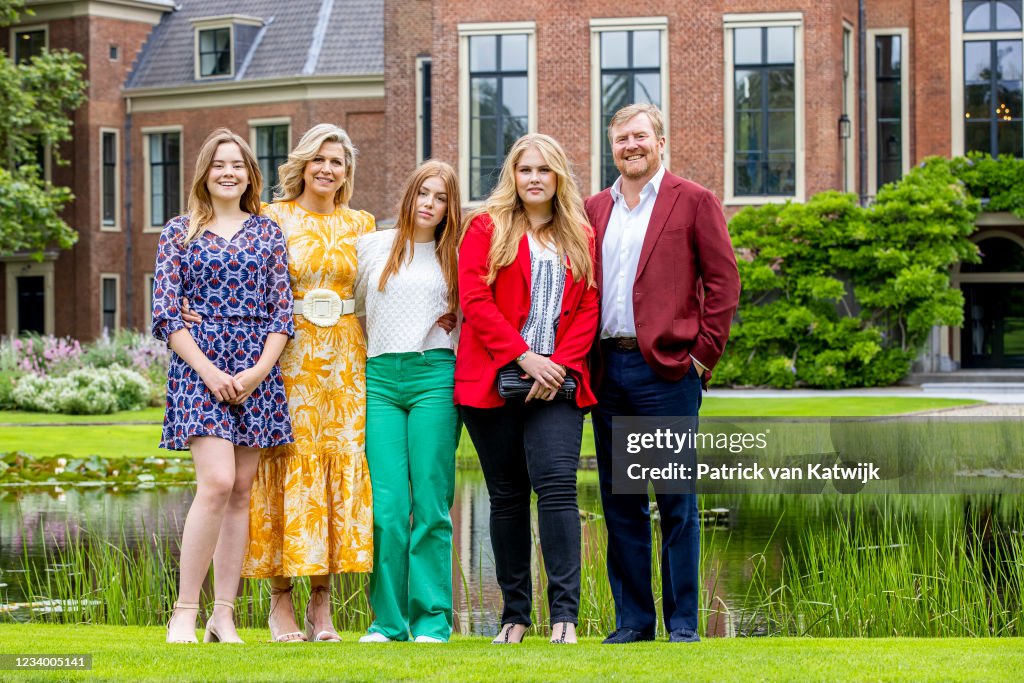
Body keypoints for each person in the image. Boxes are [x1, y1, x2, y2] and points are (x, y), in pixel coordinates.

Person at [186, 123, 374, 642]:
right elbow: (236, 271)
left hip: (343, 365)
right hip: (281, 363)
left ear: (347, 170)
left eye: (336, 161)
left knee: (333, 480)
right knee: (280, 477)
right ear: (302, 164)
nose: (327, 168)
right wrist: (190, 308)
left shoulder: (362, 223)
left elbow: (382, 286)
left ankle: (322, 606)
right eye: (318, 159)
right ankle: (279, 603)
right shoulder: (272, 217)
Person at [585, 103, 740, 644]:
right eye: (622, 138)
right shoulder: (592, 210)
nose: (631, 145)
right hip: (607, 370)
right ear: (613, 146)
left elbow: (724, 284)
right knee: (621, 504)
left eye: (640, 136)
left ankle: (682, 624)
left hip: (667, 372)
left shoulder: (693, 201)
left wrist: (701, 358)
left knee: (675, 503)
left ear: (661, 141)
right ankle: (633, 622)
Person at [456, 133, 599, 645]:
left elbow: (589, 308)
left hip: (557, 387)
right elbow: (474, 299)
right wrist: (524, 357)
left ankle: (565, 616)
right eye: (524, 169)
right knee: (507, 498)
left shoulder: (581, 234)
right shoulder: (486, 227)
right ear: (512, 177)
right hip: (493, 381)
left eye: (543, 169)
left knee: (557, 488)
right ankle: (514, 616)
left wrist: (555, 367)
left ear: (558, 176)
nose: (534, 178)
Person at [153, 128, 294, 644]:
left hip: (256, 368)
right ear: (204, 173)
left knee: (240, 492)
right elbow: (165, 314)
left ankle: (224, 614)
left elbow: (283, 312)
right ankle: (184, 612)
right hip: (198, 369)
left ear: (250, 174)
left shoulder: (267, 232)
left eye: (237, 164)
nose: (228, 172)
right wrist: (210, 371)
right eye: (219, 164)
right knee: (214, 483)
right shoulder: (178, 232)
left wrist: (257, 371)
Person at [353, 160, 462, 644]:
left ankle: (432, 620)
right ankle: (387, 622)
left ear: (448, 207)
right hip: (380, 379)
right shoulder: (374, 245)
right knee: (389, 508)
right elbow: (349, 308)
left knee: (431, 504)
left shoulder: (456, 255)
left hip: (434, 378)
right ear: (410, 194)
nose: (429, 204)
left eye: (440, 198)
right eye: (423, 193)